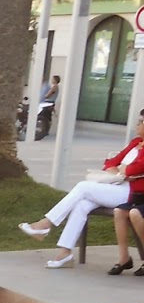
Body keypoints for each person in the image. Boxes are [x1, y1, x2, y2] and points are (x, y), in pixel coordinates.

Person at [19, 109, 144, 267]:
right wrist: (121, 170)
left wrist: (124, 170)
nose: (137, 125)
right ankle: (65, 253)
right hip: (116, 186)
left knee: (83, 187)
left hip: (131, 193)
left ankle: (46, 224)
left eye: (141, 122)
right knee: (82, 204)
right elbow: (110, 162)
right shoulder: (135, 143)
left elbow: (135, 169)